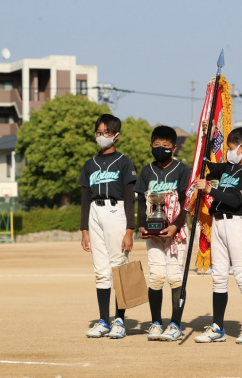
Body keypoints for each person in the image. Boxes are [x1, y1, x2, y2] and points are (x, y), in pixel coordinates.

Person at [194, 122, 242, 344]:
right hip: (219, 222)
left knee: (241, 275)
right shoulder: (230, 168)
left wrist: (211, 189)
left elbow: (236, 199)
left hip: (236, 223)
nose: (228, 152)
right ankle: (217, 326)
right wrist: (208, 137)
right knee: (219, 277)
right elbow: (207, 164)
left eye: (231, 148)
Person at [79, 114, 136, 339]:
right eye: (99, 133)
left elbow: (131, 198)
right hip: (95, 212)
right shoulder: (89, 164)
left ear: (117, 136)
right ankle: (103, 320)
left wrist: (130, 229)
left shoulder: (124, 162)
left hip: (116, 211)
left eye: (107, 133)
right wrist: (84, 230)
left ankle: (119, 320)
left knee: (119, 267)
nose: (102, 137)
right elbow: (84, 199)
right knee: (101, 270)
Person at [134, 126, 191, 341]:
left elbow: (186, 201)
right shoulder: (147, 170)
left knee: (175, 277)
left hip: (177, 232)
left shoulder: (182, 170)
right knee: (156, 277)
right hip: (153, 231)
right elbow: (141, 200)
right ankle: (156, 322)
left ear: (174, 148)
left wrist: (176, 225)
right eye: (157, 145)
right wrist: (141, 225)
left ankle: (175, 324)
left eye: (166, 146)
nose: (161, 148)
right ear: (151, 145)